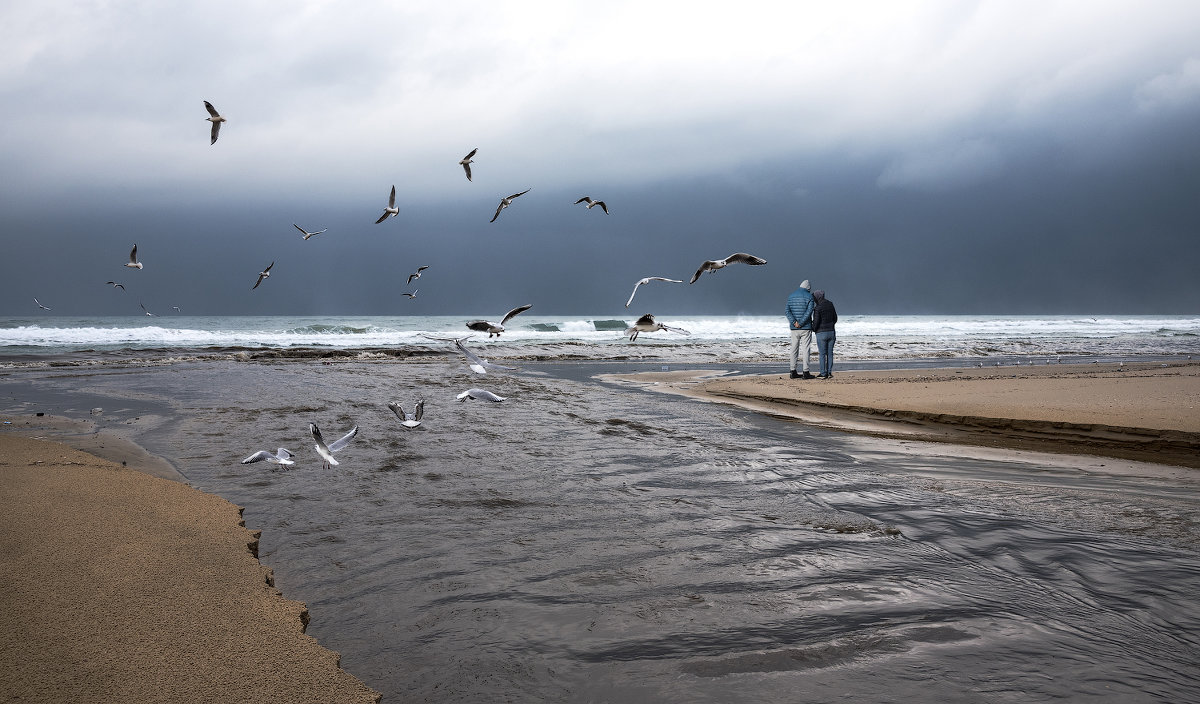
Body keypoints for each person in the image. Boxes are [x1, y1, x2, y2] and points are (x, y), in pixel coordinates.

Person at [785, 280, 815, 379]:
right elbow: (809, 311)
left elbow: (787, 311)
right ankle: (806, 372)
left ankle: (792, 371)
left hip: (794, 328)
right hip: (805, 327)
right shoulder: (809, 297)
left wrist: (794, 322)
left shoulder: (791, 296)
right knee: (806, 349)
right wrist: (801, 323)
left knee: (794, 349)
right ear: (808, 288)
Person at [811, 289, 837, 378]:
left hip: (821, 333)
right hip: (831, 332)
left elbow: (816, 322)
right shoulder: (830, 304)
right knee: (830, 353)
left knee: (822, 354)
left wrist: (813, 329)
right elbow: (835, 318)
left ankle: (823, 373)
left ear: (817, 297)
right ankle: (829, 372)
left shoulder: (817, 308)